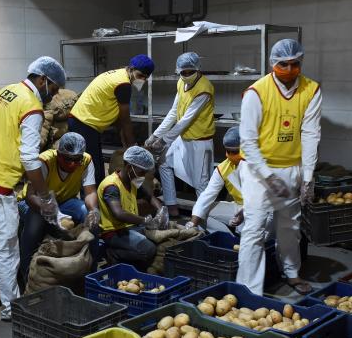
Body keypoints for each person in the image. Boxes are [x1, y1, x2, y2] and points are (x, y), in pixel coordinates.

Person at [0, 56, 67, 321]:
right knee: (6, 249)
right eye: (52, 90)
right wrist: (45, 194)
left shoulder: (7, 91)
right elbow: (29, 157)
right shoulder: (31, 108)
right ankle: (12, 307)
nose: (52, 98)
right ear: (43, 80)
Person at [236, 39, 322, 295]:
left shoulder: (311, 90)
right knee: (255, 227)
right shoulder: (256, 92)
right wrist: (268, 176)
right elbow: (248, 142)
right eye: (283, 64)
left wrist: (307, 177)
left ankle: (291, 272)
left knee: (290, 226)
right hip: (257, 170)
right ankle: (248, 288)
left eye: (295, 64)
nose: (289, 69)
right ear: (273, 64)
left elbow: (310, 134)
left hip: (291, 166)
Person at [17, 131, 101, 288]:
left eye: (76, 160)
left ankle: (91, 275)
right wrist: (49, 210)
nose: (72, 164)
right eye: (67, 159)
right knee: (33, 227)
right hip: (35, 203)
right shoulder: (45, 162)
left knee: (88, 216)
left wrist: (93, 210)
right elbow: (30, 196)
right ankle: (27, 277)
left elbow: (90, 193)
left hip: (65, 201)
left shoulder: (86, 161)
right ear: (59, 154)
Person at [146, 52, 215, 218]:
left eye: (189, 72)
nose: (185, 75)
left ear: (198, 69)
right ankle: (172, 207)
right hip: (183, 137)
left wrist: (164, 140)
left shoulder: (204, 89)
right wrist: (155, 135)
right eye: (182, 72)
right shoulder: (181, 83)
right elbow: (173, 112)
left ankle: (202, 220)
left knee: (201, 183)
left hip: (199, 141)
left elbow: (186, 120)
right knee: (164, 162)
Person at [69, 54, 155, 180]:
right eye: (140, 75)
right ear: (131, 69)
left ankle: (95, 195)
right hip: (84, 124)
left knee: (96, 165)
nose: (142, 80)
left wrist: (126, 143)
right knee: (92, 169)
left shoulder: (119, 74)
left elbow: (119, 119)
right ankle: (91, 198)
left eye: (145, 78)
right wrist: (133, 149)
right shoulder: (123, 84)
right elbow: (125, 120)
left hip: (84, 122)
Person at [97, 146, 168, 271]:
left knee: (161, 242)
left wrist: (161, 210)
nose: (144, 176)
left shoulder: (132, 181)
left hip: (131, 227)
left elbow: (149, 197)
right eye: (141, 172)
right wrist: (145, 220)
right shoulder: (111, 186)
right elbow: (119, 213)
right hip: (114, 232)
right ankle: (114, 254)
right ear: (130, 167)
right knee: (149, 249)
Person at [186, 127, 248, 234]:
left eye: (235, 152)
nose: (230, 156)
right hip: (238, 206)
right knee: (205, 210)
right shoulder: (222, 168)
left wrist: (244, 213)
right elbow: (207, 195)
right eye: (228, 151)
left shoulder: (256, 164)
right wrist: (192, 223)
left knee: (250, 234)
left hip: (260, 210)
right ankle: (228, 241)